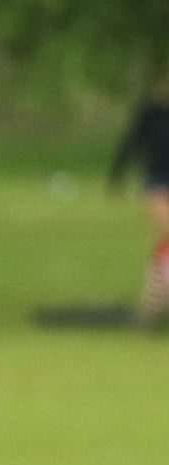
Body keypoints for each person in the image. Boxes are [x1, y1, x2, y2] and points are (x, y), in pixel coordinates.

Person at [109, 74, 169, 325]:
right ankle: (150, 308)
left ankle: (152, 306)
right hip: (157, 182)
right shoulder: (150, 113)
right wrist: (117, 175)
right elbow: (131, 142)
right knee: (167, 239)